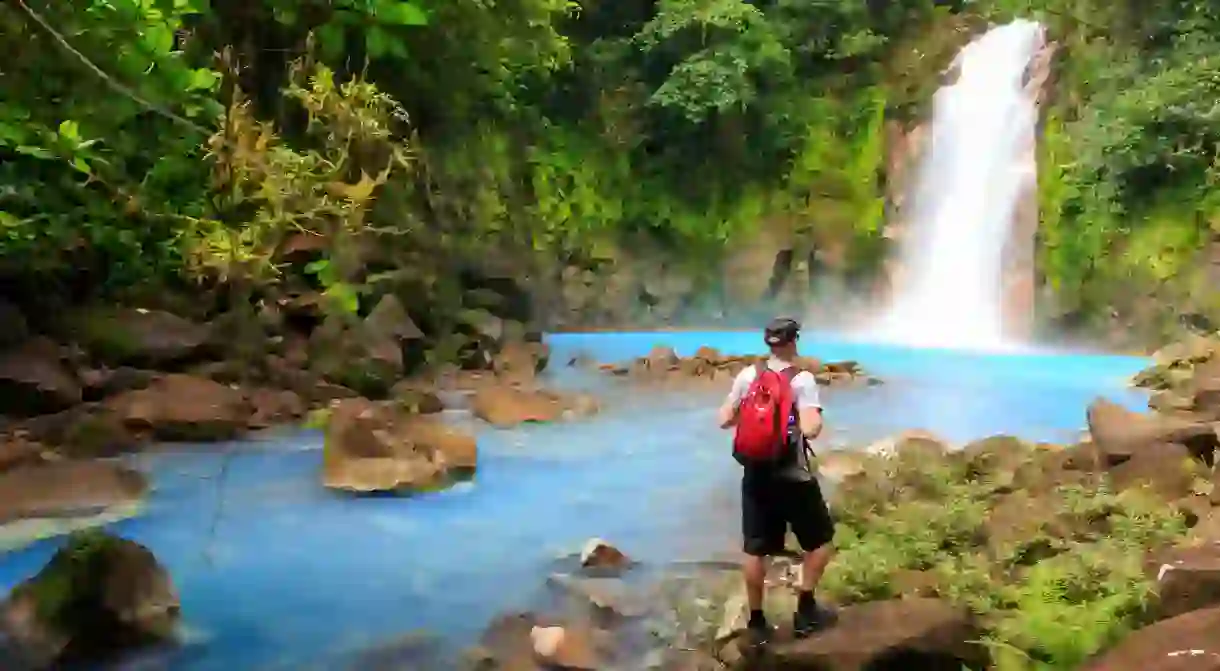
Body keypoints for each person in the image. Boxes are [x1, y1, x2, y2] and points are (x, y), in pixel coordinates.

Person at [717, 317, 837, 643]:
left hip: (755, 474)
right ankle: (806, 609)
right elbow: (812, 427)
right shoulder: (802, 379)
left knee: (756, 551)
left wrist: (753, 418)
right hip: (793, 476)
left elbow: (724, 419)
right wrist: (806, 421)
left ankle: (756, 623)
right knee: (821, 541)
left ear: (767, 342)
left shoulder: (748, 375)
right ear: (793, 341)